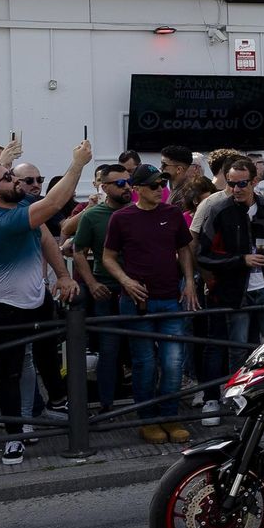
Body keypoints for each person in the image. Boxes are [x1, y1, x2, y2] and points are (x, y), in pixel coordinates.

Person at [0, 139, 91, 465]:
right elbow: (54, 203)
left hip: (36, 297)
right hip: (5, 306)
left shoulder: (19, 204)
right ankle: (13, 437)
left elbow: (45, 235)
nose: (15, 180)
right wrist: (78, 164)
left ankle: (56, 404)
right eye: (7, 177)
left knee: (48, 352)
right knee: (10, 369)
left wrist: (62, 275)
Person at [102, 165, 200, 443]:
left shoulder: (172, 214)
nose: (160, 189)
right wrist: (125, 280)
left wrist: (189, 282)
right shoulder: (121, 218)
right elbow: (108, 256)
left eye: (162, 184)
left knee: (173, 362)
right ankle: (148, 419)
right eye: (154, 185)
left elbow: (184, 249)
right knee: (144, 363)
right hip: (137, 301)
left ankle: (169, 416)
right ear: (138, 189)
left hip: (170, 298)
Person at [195, 156, 264, 385]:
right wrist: (241, 260)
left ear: (254, 182)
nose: (236, 189)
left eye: (241, 183)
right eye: (231, 183)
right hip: (235, 292)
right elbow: (204, 254)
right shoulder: (219, 210)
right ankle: (238, 392)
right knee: (237, 348)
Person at [71, 162, 134, 413]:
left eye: (129, 182)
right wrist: (92, 283)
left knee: (142, 347)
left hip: (138, 290)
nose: (127, 187)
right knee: (108, 349)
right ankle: (107, 405)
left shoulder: (139, 211)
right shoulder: (92, 216)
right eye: (120, 183)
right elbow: (78, 251)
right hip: (107, 290)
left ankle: (146, 404)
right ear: (104, 187)